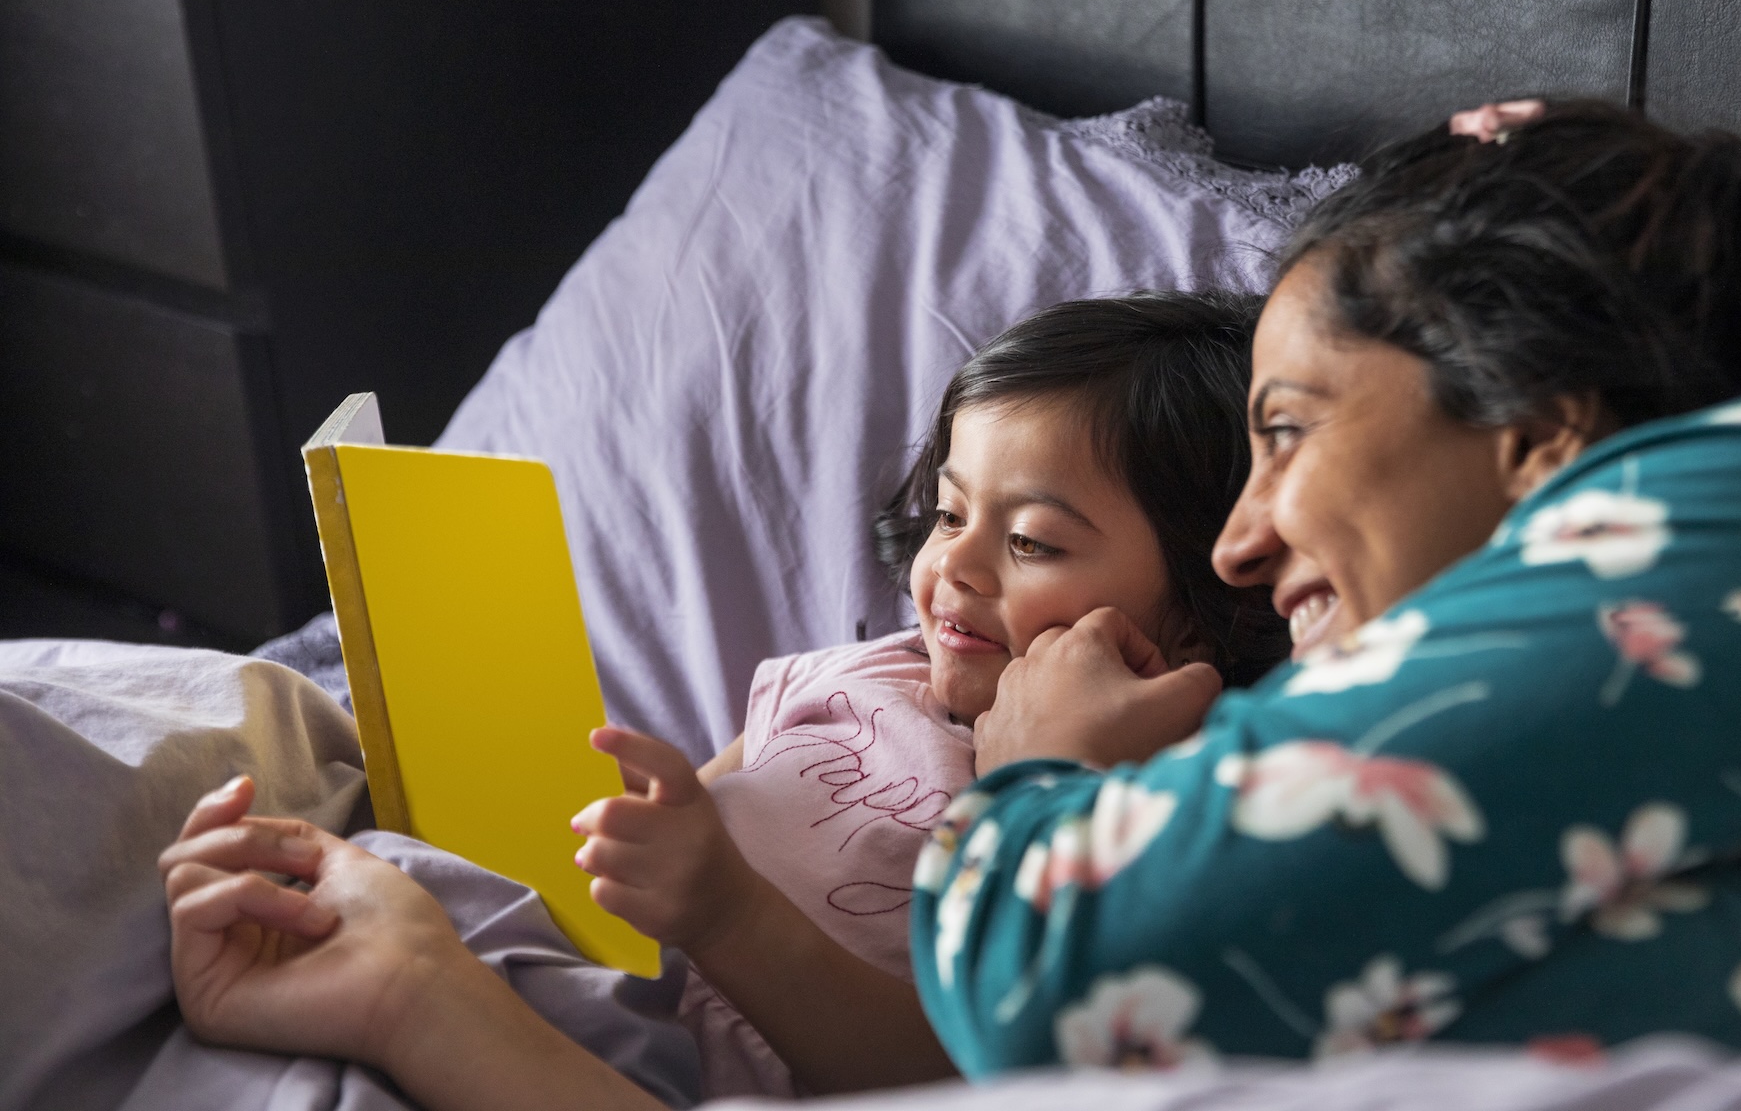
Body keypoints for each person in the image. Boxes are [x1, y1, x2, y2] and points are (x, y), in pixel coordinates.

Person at [917, 52, 1741, 1070]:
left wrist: (1035, 771)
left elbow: (1045, 980)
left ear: (1532, 422)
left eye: (1287, 430)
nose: (1237, 545)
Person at [156, 292, 1286, 1108]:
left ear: (1203, 602)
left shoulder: (1146, 803)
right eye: (948, 513)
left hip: (635, 1066)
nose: (959, 566)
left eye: (1034, 538)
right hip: (544, 954)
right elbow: (676, 817)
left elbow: (952, 1068)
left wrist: (727, 910)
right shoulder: (856, 671)